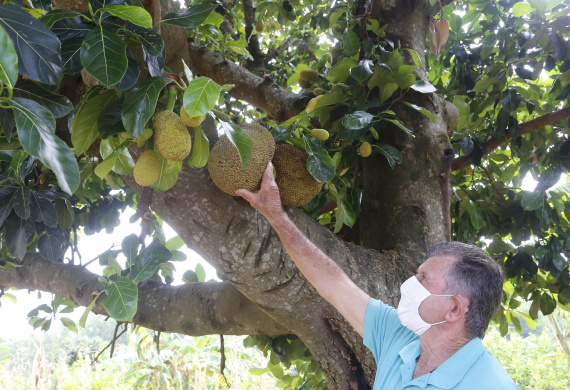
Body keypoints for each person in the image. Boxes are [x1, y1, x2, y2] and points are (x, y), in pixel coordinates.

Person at [236, 162, 520, 390]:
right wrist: (276, 216)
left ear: (455, 307)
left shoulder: (491, 384)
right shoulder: (401, 339)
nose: (408, 285)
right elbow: (334, 283)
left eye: (423, 279)